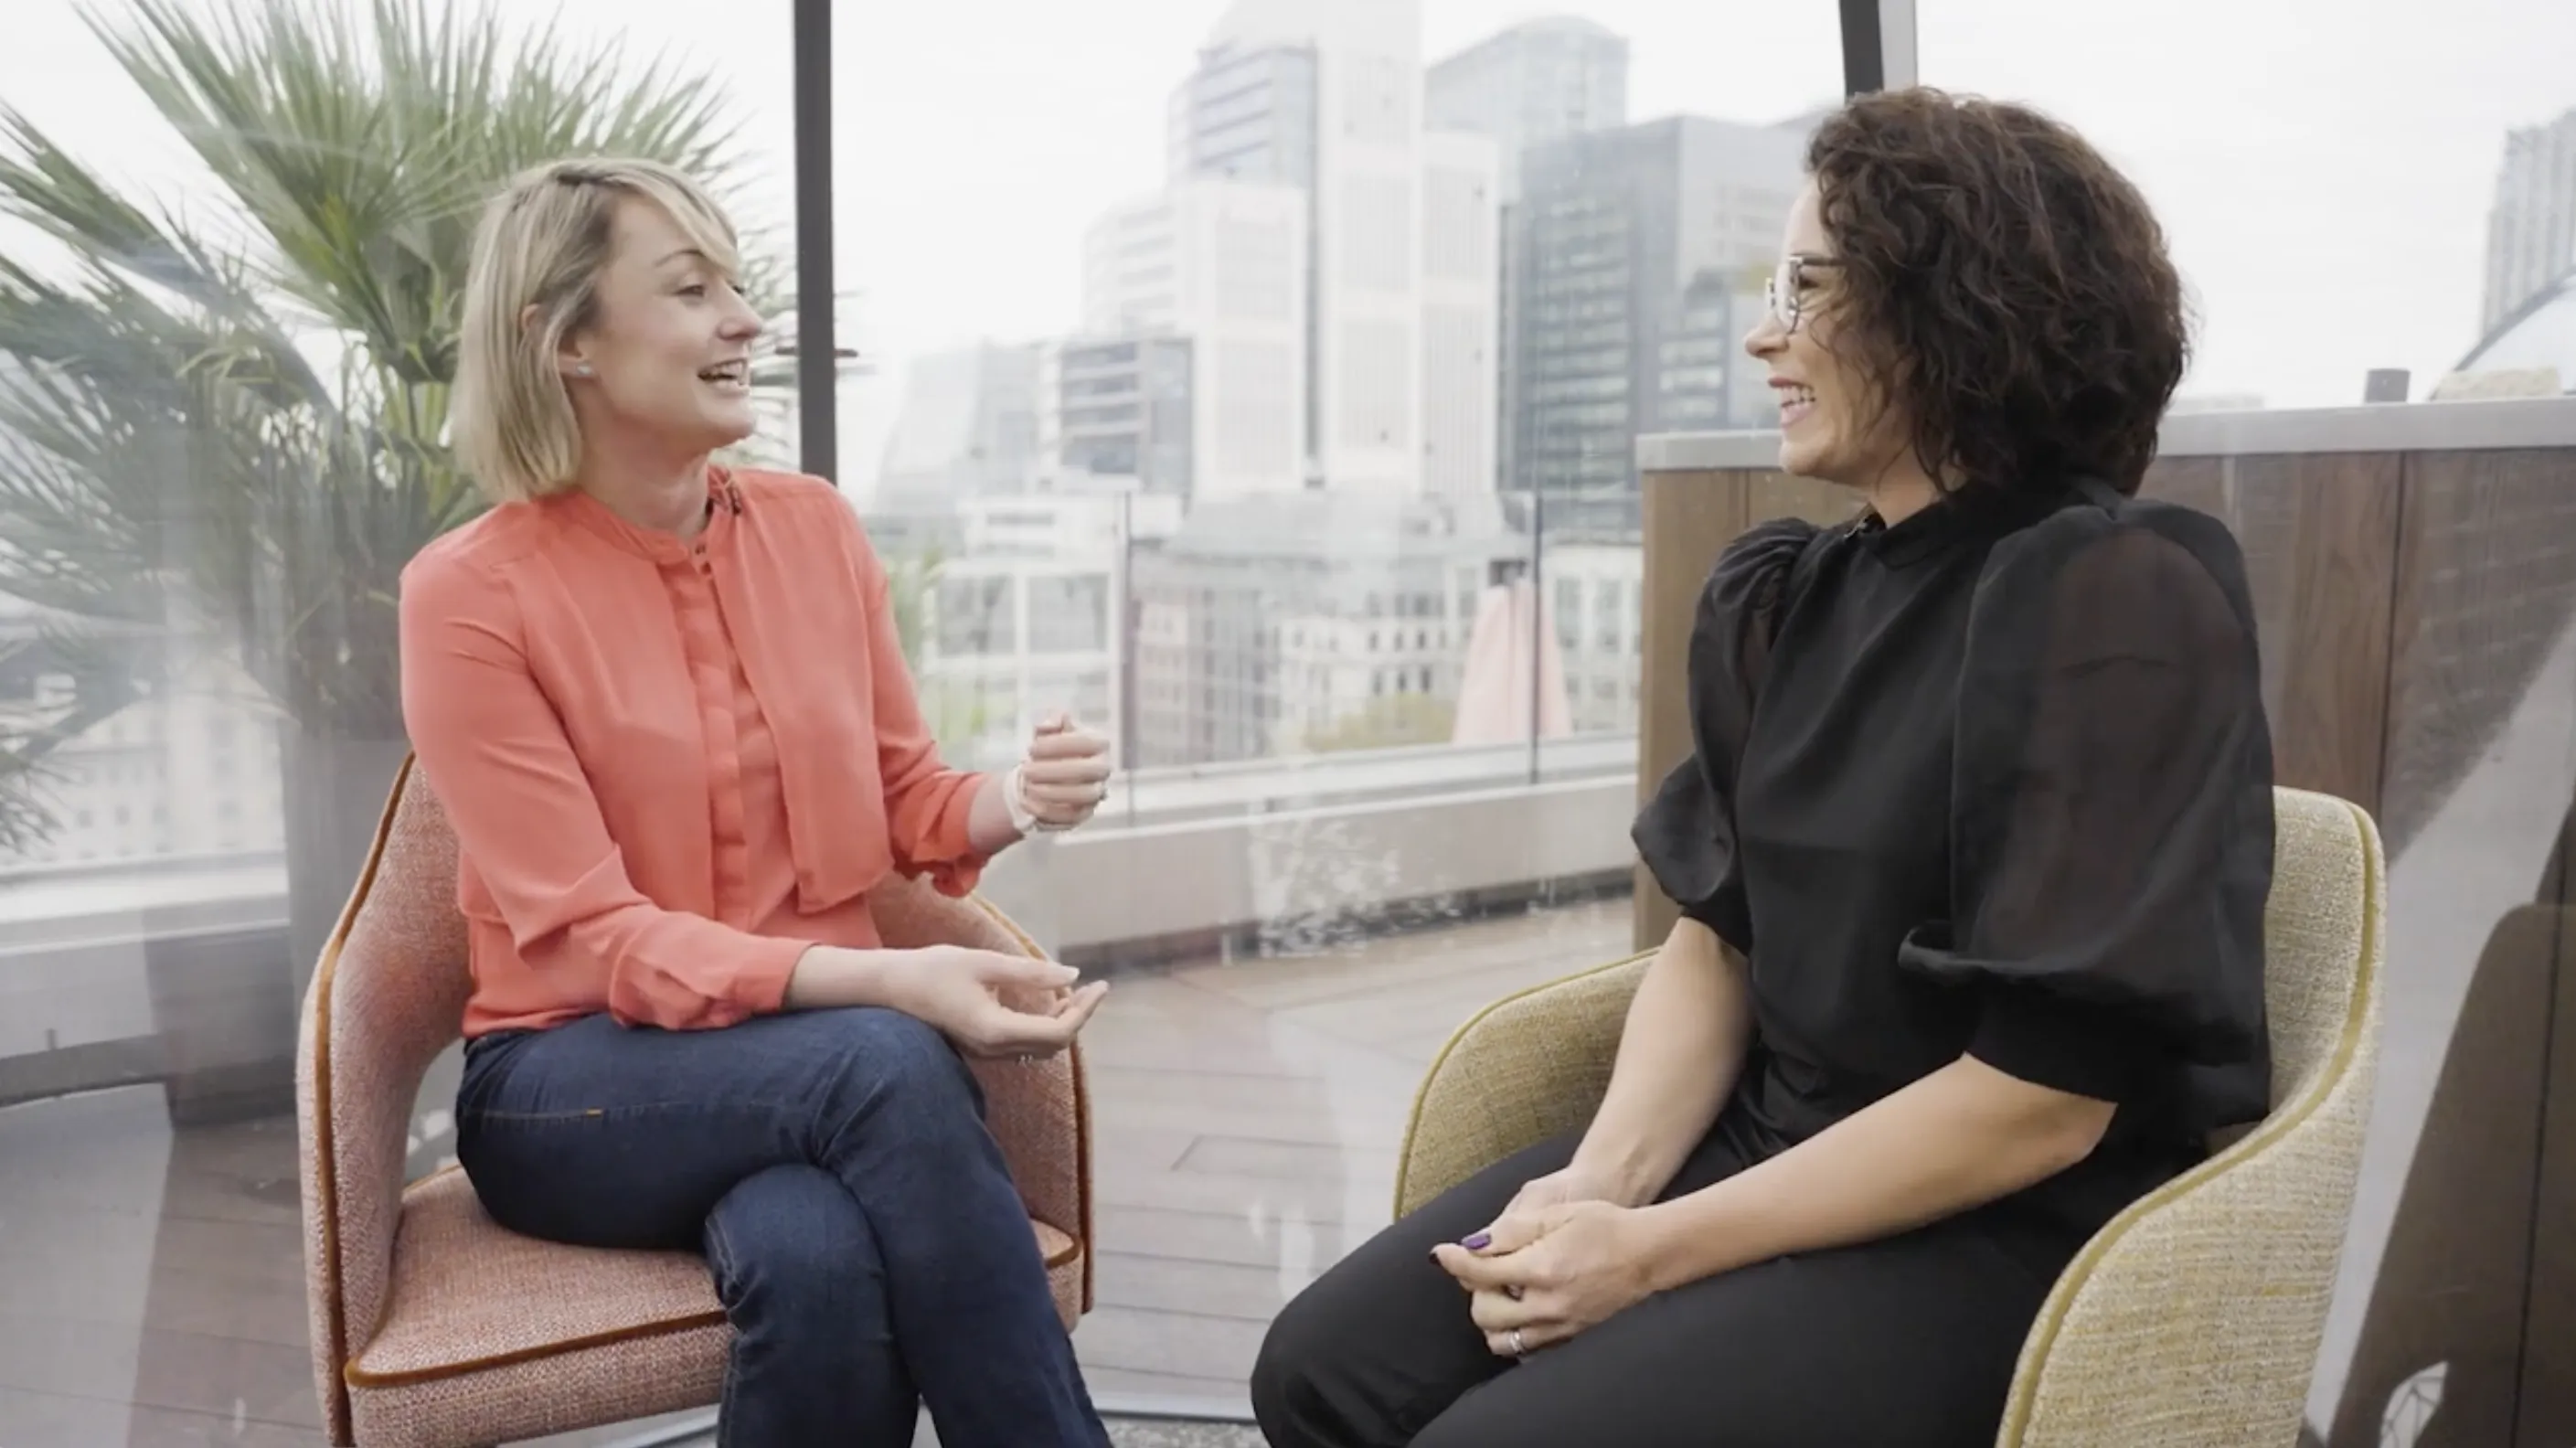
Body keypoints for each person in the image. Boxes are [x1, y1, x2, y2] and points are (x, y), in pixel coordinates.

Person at [1251, 86, 2277, 1448]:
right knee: (1320, 1371)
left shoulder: (2115, 595)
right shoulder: (1788, 595)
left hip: (1992, 1220)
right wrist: (1607, 1184)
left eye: (1808, 285)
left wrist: (1651, 1255)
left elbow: (2039, 1105)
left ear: (1954, 303)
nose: (1763, 332)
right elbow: (1716, 940)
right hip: (1766, 1143)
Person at [400, 156, 1117, 1448]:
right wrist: (893, 984)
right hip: (571, 1082)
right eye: (692, 290)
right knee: (884, 1059)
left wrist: (1017, 798)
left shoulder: (815, 529)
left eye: (736, 286)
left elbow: (904, 799)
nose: (745, 321)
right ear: (564, 340)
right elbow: (593, 938)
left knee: (816, 1260)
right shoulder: (468, 593)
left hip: (815, 1071)